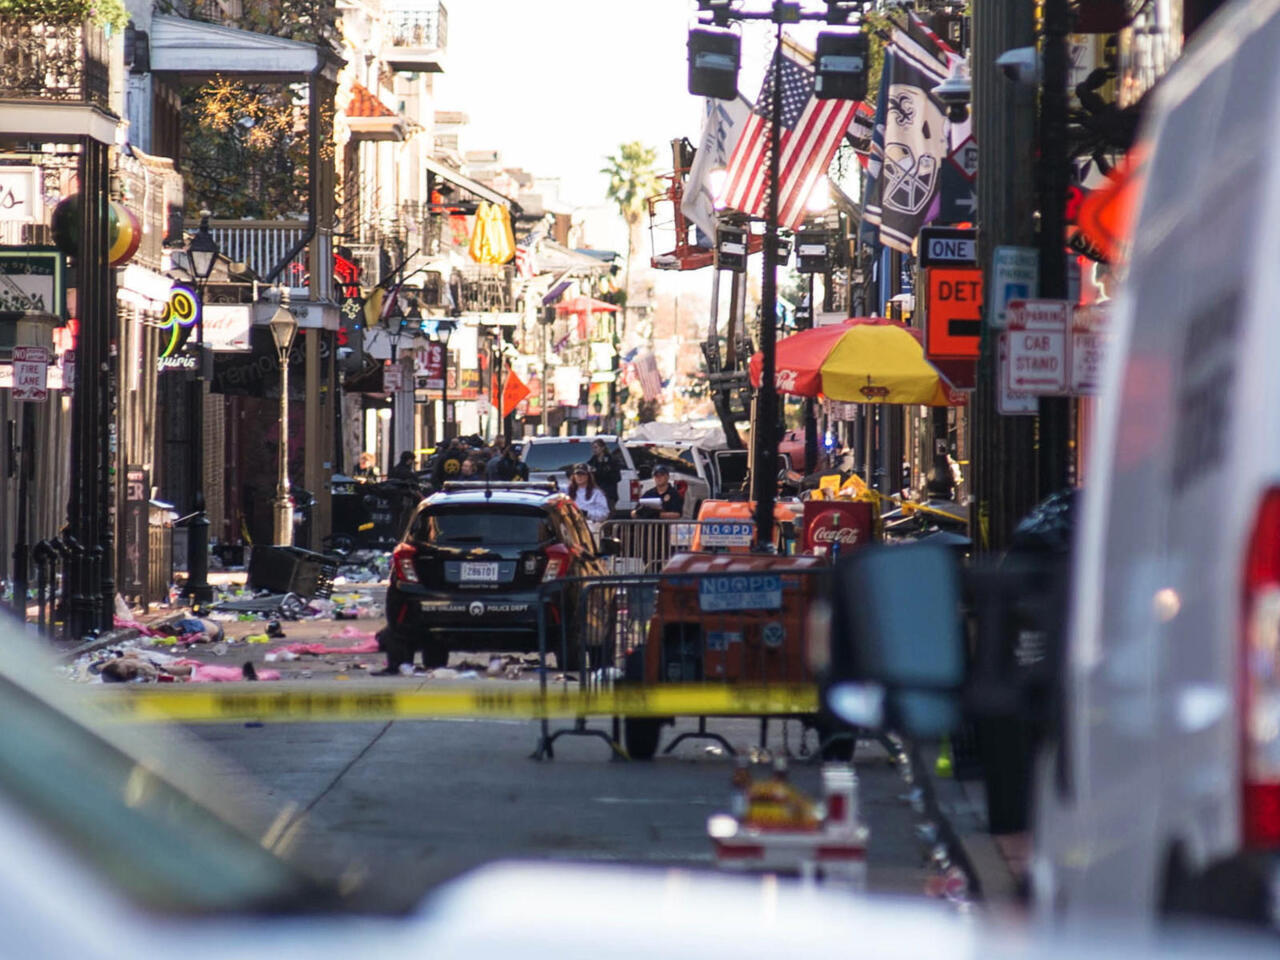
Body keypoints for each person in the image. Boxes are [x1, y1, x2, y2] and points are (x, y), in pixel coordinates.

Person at [587, 438, 621, 510]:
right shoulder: (592, 462)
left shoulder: (611, 460)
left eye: (596, 447)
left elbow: (617, 477)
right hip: (595, 494)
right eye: (593, 448)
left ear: (602, 448)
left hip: (609, 493)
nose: (594, 450)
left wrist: (602, 472)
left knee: (607, 513)